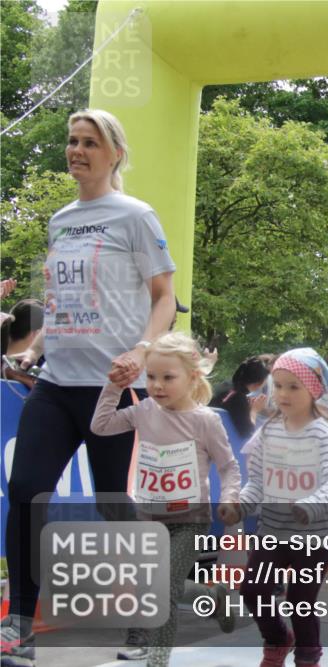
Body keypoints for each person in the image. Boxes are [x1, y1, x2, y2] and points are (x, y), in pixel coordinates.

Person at [1, 109, 177, 667]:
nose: (77, 150)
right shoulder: (59, 220)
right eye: (72, 141)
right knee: (27, 491)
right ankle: (19, 627)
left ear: (114, 153)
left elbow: (164, 298)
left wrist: (141, 352)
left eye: (89, 143)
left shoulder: (136, 216)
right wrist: (34, 349)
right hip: (54, 386)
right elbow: (61, 307)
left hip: (113, 391)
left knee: (118, 510)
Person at [90, 332, 241, 666]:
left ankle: (157, 659)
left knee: (165, 589)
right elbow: (100, 427)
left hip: (190, 520)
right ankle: (213, 596)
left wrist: (230, 498)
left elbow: (229, 467)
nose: (157, 385)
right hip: (147, 517)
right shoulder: (143, 410)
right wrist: (114, 386)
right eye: (151, 377)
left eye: (168, 377)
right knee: (154, 586)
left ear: (192, 376)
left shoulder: (206, 421)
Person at [226, 348, 328, 667]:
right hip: (273, 530)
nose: (283, 393)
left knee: (300, 601)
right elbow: (257, 482)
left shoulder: (322, 432)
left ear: (313, 390)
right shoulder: (269, 431)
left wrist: (311, 505)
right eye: (278, 385)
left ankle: (308, 657)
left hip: (314, 536)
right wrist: (240, 505)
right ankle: (278, 639)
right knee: (253, 590)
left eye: (294, 386)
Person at [209, 354, 271, 438]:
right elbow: (247, 433)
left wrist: (246, 406)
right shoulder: (239, 398)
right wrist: (254, 410)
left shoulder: (226, 385)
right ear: (259, 383)